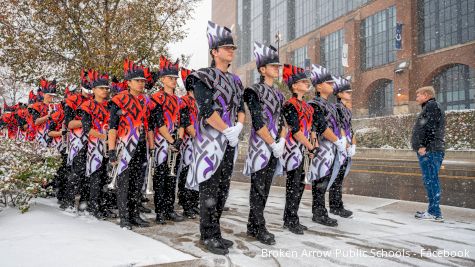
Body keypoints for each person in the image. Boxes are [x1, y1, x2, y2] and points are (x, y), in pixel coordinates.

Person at [186, 21, 245, 255]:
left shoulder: (236, 81)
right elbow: (206, 110)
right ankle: (207, 235)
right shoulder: (201, 77)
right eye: (226, 48)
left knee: (223, 189)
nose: (231, 51)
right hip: (210, 141)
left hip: (230, 140)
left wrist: (238, 126)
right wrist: (226, 129)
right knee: (209, 189)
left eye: (232, 48)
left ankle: (216, 232)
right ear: (214, 52)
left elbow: (241, 107)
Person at [243, 42, 286, 245]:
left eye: (278, 66)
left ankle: (253, 224)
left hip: (275, 146)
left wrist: (282, 140)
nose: (277, 69)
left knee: (266, 188)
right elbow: (258, 122)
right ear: (262, 69)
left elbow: (283, 121)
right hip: (260, 147)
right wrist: (272, 142)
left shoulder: (279, 94)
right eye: (273, 66)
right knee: (258, 188)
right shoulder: (253, 91)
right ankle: (259, 226)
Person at [108, 59, 154, 229]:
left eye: (143, 81)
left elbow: (150, 125)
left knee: (137, 183)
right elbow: (112, 127)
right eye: (138, 81)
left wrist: (152, 147)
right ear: (129, 82)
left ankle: (135, 214)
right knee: (125, 183)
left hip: (141, 147)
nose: (141, 84)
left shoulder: (146, 101)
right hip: (125, 147)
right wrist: (111, 149)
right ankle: (124, 217)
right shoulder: (118, 100)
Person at [308, 64, 347, 227]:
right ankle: (319, 213)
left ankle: (321, 211)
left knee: (327, 179)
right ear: (318, 86)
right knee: (320, 180)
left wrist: (342, 140)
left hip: (332, 149)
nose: (332, 85)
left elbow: (339, 125)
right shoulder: (315, 104)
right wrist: (337, 140)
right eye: (328, 83)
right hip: (321, 149)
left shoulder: (330, 105)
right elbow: (322, 127)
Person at [281, 64, 317, 235]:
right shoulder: (289, 105)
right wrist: (310, 145)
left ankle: (293, 218)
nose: (306, 83)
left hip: (304, 148)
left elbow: (311, 129)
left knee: (301, 185)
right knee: (293, 185)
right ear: (294, 85)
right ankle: (289, 219)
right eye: (303, 81)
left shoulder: (308, 107)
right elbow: (295, 130)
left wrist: (313, 145)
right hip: (293, 149)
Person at [149, 56, 185, 224]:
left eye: (175, 78)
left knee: (172, 179)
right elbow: (158, 122)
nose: (173, 81)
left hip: (175, 143)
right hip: (161, 143)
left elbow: (183, 122)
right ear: (162, 79)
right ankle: (160, 211)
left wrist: (179, 139)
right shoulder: (156, 98)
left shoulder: (179, 100)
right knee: (161, 178)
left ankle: (170, 209)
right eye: (170, 78)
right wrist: (171, 140)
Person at [79, 70, 116, 219]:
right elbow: (87, 129)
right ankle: (94, 207)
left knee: (106, 179)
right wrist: (103, 136)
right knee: (95, 178)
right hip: (94, 147)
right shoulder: (87, 105)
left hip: (109, 146)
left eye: (107, 88)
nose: (105, 91)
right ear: (93, 90)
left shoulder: (111, 106)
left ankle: (104, 206)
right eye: (102, 88)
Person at [411, 86, 445, 222]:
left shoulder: (432, 106)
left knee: (431, 180)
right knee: (430, 180)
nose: (417, 98)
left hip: (430, 150)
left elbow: (430, 127)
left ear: (426, 95)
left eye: (418, 95)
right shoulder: (431, 106)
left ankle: (435, 213)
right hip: (432, 149)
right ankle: (433, 210)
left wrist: (422, 145)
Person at [62, 71, 93, 210]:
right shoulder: (72, 100)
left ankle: (85, 202)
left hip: (95, 140)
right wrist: (86, 122)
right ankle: (68, 201)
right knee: (77, 172)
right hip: (78, 140)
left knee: (91, 173)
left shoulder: (99, 100)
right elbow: (69, 123)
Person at [329, 77, 355, 218]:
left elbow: (350, 127)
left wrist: (353, 144)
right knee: (336, 176)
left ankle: (338, 205)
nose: (350, 94)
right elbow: (339, 127)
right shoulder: (336, 108)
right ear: (339, 94)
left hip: (347, 145)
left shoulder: (347, 109)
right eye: (347, 92)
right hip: (340, 145)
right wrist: (344, 142)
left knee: (340, 177)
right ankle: (335, 206)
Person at [176, 67, 200, 219]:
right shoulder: (184, 101)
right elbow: (185, 121)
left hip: (199, 142)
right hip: (188, 142)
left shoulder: (199, 102)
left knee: (197, 173)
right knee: (186, 173)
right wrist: (196, 135)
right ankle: (186, 204)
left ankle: (193, 203)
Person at [29, 78, 58, 147]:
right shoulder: (37, 106)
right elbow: (36, 121)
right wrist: (48, 116)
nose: (51, 97)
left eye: (53, 95)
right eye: (49, 95)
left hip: (53, 136)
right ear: (44, 94)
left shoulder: (56, 106)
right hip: (40, 135)